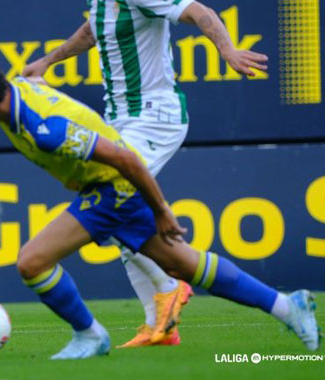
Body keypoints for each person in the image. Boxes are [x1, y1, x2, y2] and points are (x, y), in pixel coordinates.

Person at [0, 53, 320, 359]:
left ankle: (90, 335)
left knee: (32, 261)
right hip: (105, 187)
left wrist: (161, 210)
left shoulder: (43, 128)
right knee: (183, 263)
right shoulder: (18, 90)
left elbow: (126, 159)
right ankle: (288, 307)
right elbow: (34, 84)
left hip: (113, 188)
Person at [22, 0, 269, 347]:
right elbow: (94, 30)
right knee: (119, 216)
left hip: (155, 118)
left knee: (111, 203)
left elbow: (199, 12)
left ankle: (171, 287)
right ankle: (160, 328)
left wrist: (226, 50)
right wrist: (48, 61)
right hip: (123, 121)